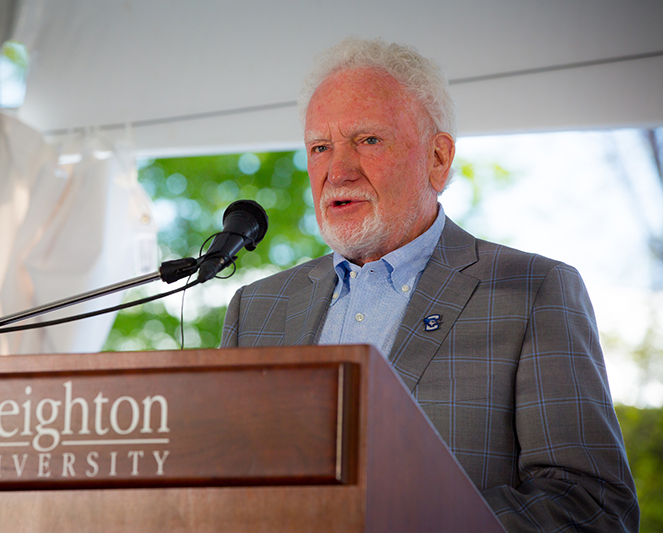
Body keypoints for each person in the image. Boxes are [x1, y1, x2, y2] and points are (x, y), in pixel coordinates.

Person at [221, 37, 639, 532]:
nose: (338, 170)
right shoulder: (257, 307)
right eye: (320, 147)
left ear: (438, 158)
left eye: (368, 140)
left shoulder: (534, 291)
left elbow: (591, 505)